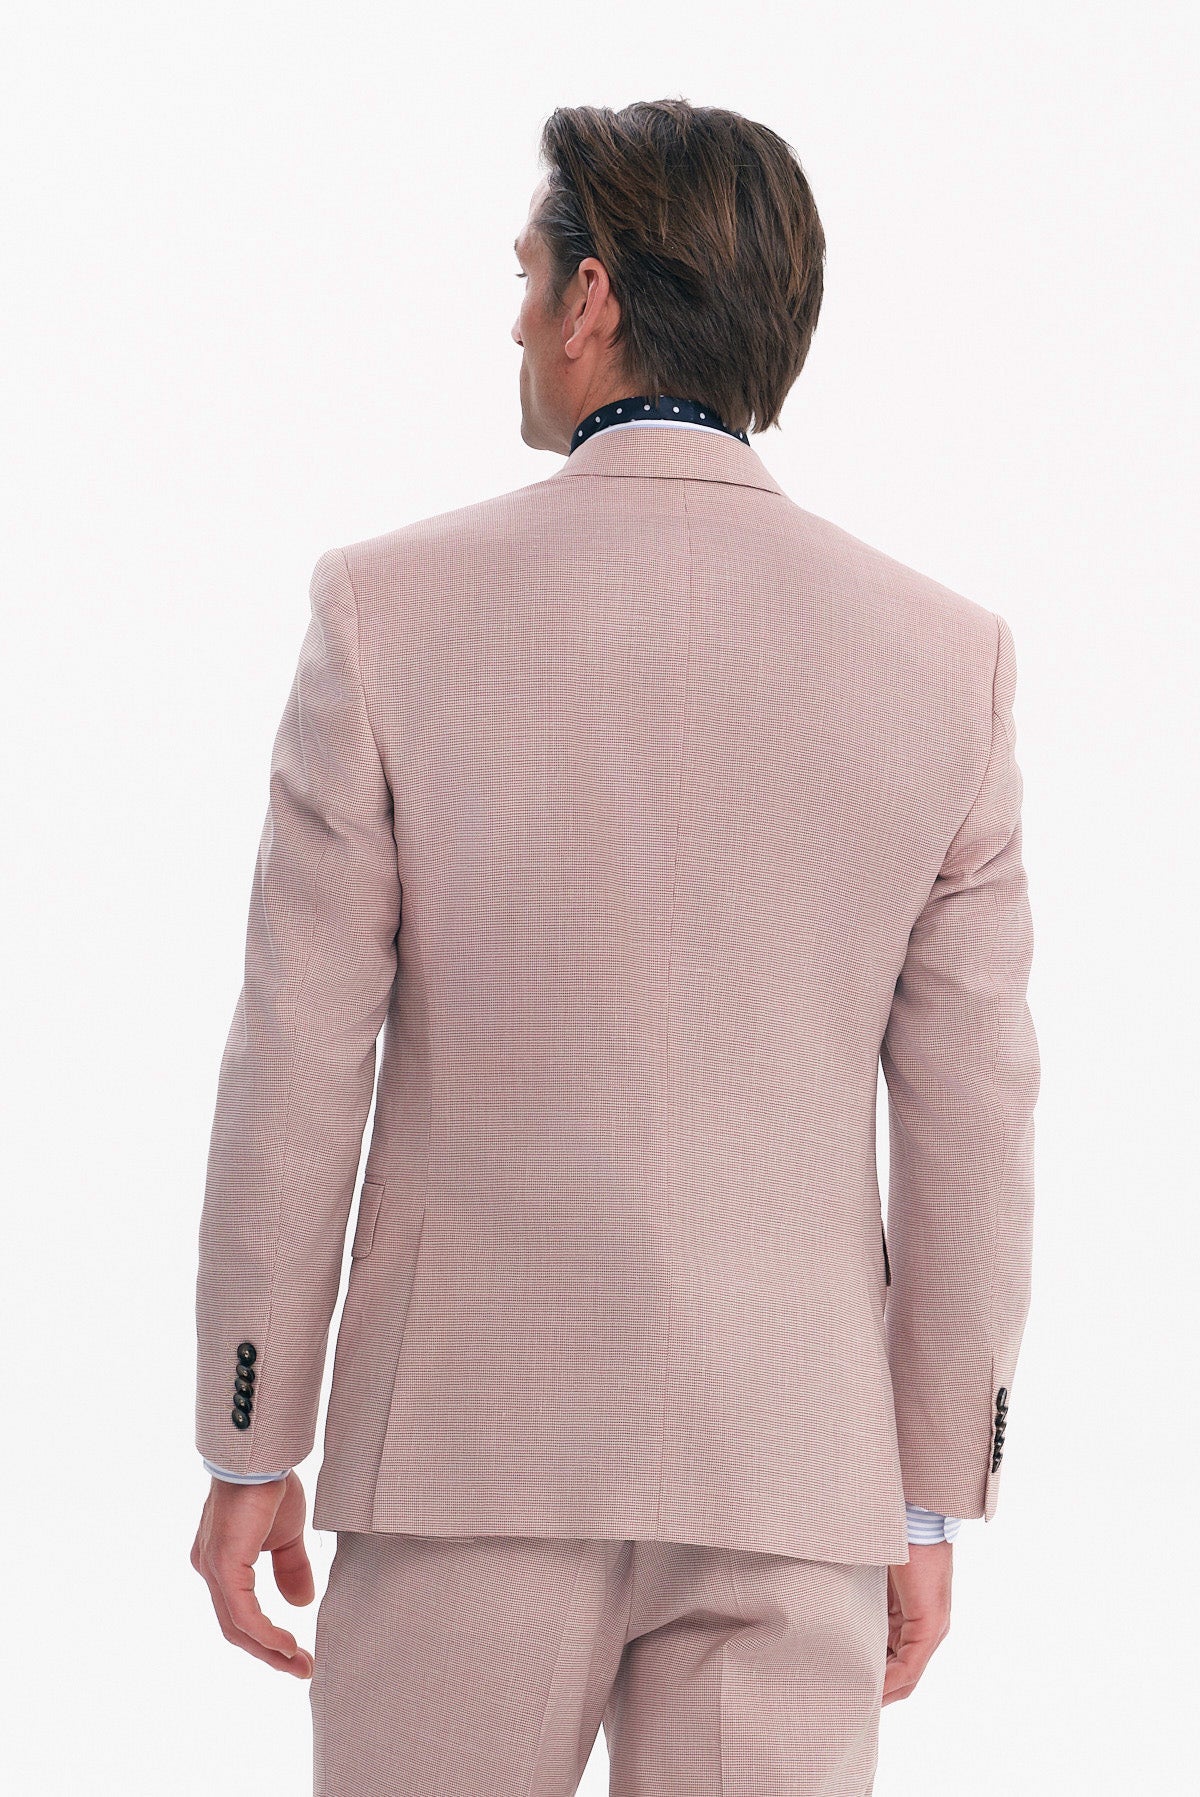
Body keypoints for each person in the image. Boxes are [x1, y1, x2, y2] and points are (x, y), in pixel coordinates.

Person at [190, 98, 1039, 1795]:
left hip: (466, 1456)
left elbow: (299, 1057)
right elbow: (974, 1119)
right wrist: (929, 1487)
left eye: (527, 275)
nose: (513, 319)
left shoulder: (386, 610)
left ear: (593, 298)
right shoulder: (948, 660)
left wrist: (249, 1433)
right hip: (790, 1472)